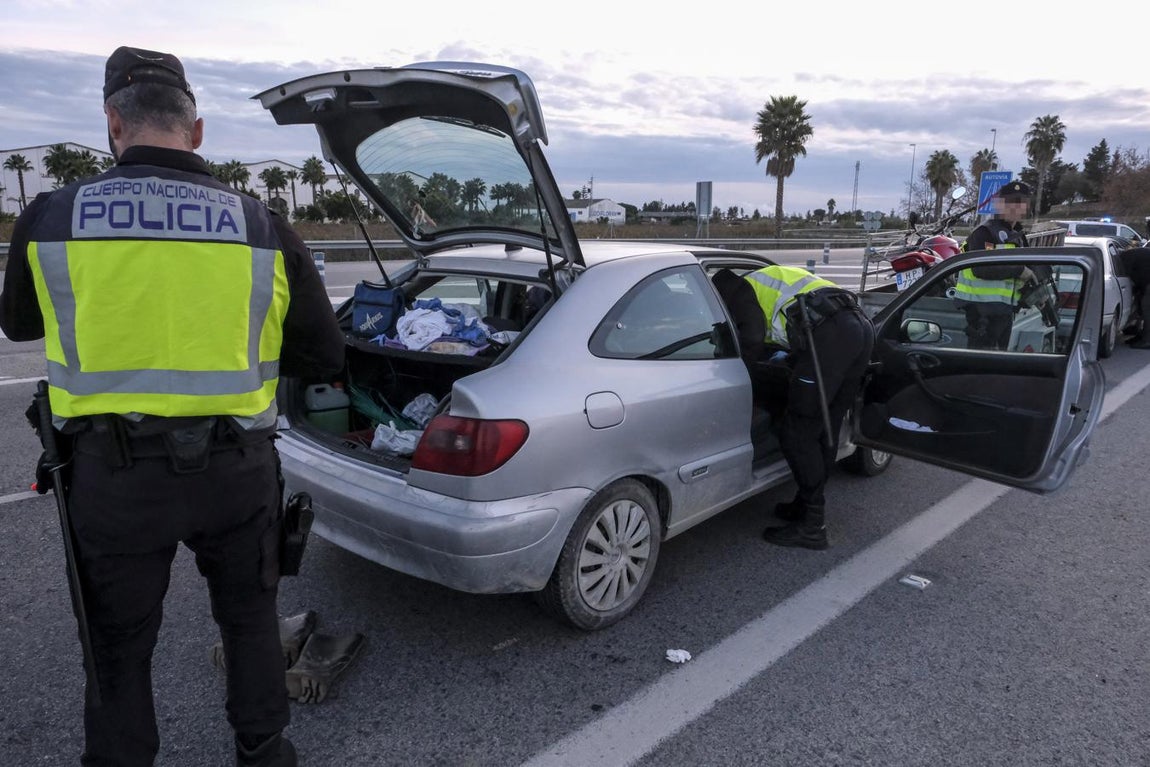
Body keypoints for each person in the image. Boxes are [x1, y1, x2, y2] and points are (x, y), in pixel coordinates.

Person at [0, 46, 345, 767]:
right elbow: (323, 357)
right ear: (195, 130)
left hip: (111, 480)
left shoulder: (50, 217)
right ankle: (263, 751)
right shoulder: (264, 228)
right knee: (250, 623)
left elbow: (21, 325)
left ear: (113, 123)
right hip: (236, 475)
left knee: (118, 650)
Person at [730, 265, 875, 550]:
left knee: (797, 432)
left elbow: (751, 341)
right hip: (858, 328)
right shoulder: (762, 278)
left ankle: (812, 526)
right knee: (826, 426)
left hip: (830, 337)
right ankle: (806, 506)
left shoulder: (735, 293)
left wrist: (738, 378)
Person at [957, 180, 1036, 350]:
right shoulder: (984, 232)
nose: (1014, 207)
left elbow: (1026, 267)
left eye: (1020, 203)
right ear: (999, 205)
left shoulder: (1017, 235)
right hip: (981, 314)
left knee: (999, 363)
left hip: (1004, 312)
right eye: (1010, 202)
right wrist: (1019, 271)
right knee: (980, 366)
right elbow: (981, 269)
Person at [1119, 246, 1150, 348]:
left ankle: (1147, 341)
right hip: (1145, 283)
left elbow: (1124, 274)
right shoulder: (1134, 254)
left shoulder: (1124, 258)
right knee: (1143, 310)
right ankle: (1142, 336)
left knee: (1147, 312)